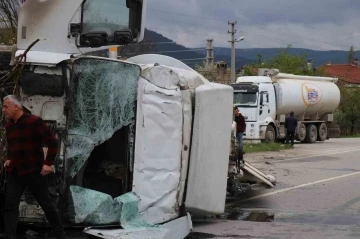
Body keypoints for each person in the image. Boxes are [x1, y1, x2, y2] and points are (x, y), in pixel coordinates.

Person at [1, 95, 66, 239]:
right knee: (10, 205)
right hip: (16, 172)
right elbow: (13, 147)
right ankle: (9, 236)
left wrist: (48, 163)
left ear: (15, 106)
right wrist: (9, 159)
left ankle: (60, 234)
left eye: (5, 106)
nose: (3, 110)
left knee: (46, 204)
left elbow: (53, 142)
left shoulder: (34, 121)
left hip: (33, 172)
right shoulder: (9, 125)